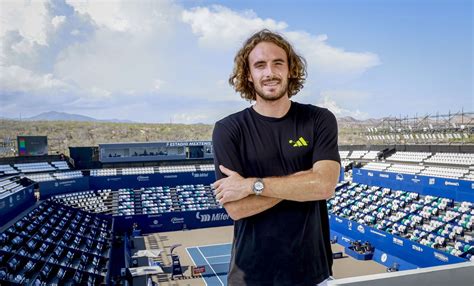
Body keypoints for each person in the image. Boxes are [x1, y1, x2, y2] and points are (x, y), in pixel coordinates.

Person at [212, 29, 341, 286]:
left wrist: (252, 186)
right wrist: (304, 182)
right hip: (251, 277)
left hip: (313, 275)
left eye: (277, 63)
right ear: (248, 75)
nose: (269, 73)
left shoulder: (319, 120)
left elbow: (324, 185)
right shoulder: (228, 129)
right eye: (260, 65)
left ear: (291, 69)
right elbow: (237, 208)